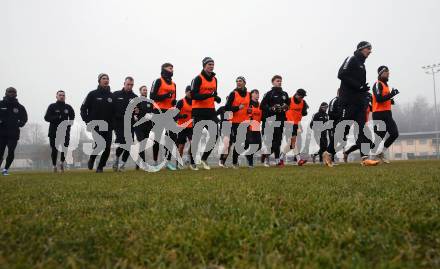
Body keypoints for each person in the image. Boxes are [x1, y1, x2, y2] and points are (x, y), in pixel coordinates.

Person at [337, 41, 379, 166]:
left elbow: (360, 86)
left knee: (362, 130)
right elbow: (341, 74)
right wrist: (358, 86)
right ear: (361, 49)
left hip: (358, 103)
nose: (370, 51)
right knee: (343, 132)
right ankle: (328, 153)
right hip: (347, 101)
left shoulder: (362, 64)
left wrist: (363, 92)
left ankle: (365, 158)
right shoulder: (351, 58)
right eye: (368, 49)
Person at [191, 57, 221, 170]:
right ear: (204, 65)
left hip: (211, 111)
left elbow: (214, 93)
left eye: (213, 64)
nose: (211, 66)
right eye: (209, 64)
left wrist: (216, 98)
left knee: (215, 135)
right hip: (198, 111)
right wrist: (209, 95)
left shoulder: (215, 79)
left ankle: (204, 158)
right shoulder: (197, 79)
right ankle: (193, 162)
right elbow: (194, 95)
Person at [80, 73, 114, 173]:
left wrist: (114, 124)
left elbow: (115, 112)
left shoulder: (111, 96)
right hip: (96, 125)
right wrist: (87, 120)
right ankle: (92, 158)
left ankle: (100, 167)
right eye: (103, 78)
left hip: (108, 126)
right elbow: (83, 108)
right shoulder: (92, 94)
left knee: (107, 147)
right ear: (99, 80)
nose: (106, 80)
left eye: (107, 78)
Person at [150, 63, 178, 170]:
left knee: (171, 137)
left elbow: (173, 99)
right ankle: (155, 161)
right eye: (170, 68)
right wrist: (166, 96)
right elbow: (152, 96)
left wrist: (174, 101)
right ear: (164, 69)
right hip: (158, 111)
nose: (172, 70)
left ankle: (167, 162)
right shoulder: (158, 81)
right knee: (157, 138)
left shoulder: (174, 84)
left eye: (172, 68)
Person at [260, 75, 290, 167]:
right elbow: (262, 106)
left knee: (278, 140)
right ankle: (267, 160)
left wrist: (285, 107)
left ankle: (277, 160)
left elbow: (288, 105)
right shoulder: (269, 94)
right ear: (273, 82)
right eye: (277, 81)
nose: (279, 82)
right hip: (269, 120)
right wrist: (272, 108)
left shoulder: (285, 94)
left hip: (280, 119)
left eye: (280, 81)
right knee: (269, 141)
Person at [372, 65, 400, 163]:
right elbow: (379, 99)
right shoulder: (377, 84)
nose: (388, 74)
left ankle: (381, 153)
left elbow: (385, 98)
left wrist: (391, 101)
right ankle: (370, 156)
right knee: (379, 137)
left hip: (387, 114)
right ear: (380, 74)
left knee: (394, 133)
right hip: (378, 114)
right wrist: (391, 95)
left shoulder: (386, 85)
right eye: (386, 72)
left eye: (388, 72)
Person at [221, 76, 250, 168]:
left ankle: (233, 161)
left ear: (244, 83)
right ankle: (227, 161)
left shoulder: (249, 94)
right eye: (237, 81)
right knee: (232, 143)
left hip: (245, 122)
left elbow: (250, 107)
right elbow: (227, 108)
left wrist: (249, 110)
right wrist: (237, 108)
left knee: (246, 142)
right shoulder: (233, 94)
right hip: (234, 122)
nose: (238, 82)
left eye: (240, 81)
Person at [44, 90, 75, 172]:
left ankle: (61, 163)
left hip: (65, 131)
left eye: (63, 95)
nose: (62, 96)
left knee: (65, 148)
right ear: (56, 96)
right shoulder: (52, 106)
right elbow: (46, 118)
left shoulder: (68, 107)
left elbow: (72, 115)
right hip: (54, 132)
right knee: (54, 149)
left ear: (65, 97)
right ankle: (54, 165)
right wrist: (56, 117)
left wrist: (69, 124)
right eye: (60, 95)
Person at [111, 76, 138, 171]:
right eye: (128, 84)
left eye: (131, 85)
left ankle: (122, 165)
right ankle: (116, 159)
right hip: (118, 123)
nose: (130, 86)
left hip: (130, 123)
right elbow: (110, 109)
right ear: (124, 84)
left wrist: (137, 111)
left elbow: (138, 111)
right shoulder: (116, 95)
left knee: (129, 144)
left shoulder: (135, 97)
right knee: (123, 142)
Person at [0, 87, 28, 176]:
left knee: (11, 151)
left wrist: (20, 124)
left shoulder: (19, 107)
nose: (12, 93)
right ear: (6, 93)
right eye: (10, 92)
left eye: (13, 92)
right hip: (1, 133)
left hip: (13, 134)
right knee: (0, 152)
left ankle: (5, 169)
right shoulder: (1, 104)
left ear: (16, 94)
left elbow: (24, 118)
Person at [342, 93, 375, 162]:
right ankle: (364, 158)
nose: (369, 100)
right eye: (368, 98)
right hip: (358, 124)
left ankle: (347, 153)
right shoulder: (360, 104)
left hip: (365, 125)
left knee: (368, 142)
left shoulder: (369, 106)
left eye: (369, 99)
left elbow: (375, 108)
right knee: (361, 141)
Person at [283, 88, 309, 166]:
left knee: (290, 144)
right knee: (293, 142)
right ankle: (299, 160)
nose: (302, 98)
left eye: (303, 97)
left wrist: (304, 110)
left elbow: (304, 113)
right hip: (288, 123)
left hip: (296, 124)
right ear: (297, 94)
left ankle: (281, 158)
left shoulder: (303, 102)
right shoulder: (289, 100)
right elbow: (282, 110)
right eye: (301, 96)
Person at [175, 86, 198, 170]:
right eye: (189, 92)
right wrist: (181, 115)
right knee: (181, 146)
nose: (191, 94)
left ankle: (192, 162)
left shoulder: (195, 102)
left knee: (193, 143)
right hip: (181, 127)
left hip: (191, 127)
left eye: (192, 92)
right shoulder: (181, 102)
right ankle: (178, 164)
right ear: (186, 92)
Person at [133, 85, 154, 170]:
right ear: (140, 91)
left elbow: (152, 112)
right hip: (138, 126)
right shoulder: (137, 101)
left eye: (146, 90)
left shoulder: (150, 102)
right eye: (143, 90)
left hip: (147, 126)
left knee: (143, 145)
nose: (145, 91)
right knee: (141, 142)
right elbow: (134, 111)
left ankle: (138, 163)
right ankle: (144, 163)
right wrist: (135, 115)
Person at [310, 102, 333, 166]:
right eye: (324, 107)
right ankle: (321, 161)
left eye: (326, 107)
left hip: (324, 133)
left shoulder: (326, 115)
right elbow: (311, 125)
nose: (325, 109)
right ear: (321, 107)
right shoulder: (316, 115)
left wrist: (330, 130)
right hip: (317, 134)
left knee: (324, 147)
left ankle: (314, 155)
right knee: (323, 147)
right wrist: (316, 129)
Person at [246, 89, 263, 168]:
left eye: (258, 93)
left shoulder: (260, 105)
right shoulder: (249, 104)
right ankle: (250, 164)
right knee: (252, 145)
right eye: (255, 93)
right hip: (249, 127)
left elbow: (262, 116)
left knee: (259, 146)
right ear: (251, 95)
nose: (257, 95)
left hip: (257, 127)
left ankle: (248, 155)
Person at [327, 89, 342, 162]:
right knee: (333, 140)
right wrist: (339, 116)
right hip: (332, 124)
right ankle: (328, 157)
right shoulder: (334, 101)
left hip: (340, 124)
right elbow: (330, 113)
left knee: (337, 141)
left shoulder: (343, 101)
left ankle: (331, 158)